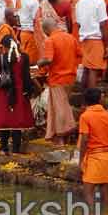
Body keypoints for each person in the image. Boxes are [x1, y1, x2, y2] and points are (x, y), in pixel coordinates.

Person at [36, 17, 80, 145]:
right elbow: (79, 54)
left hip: (57, 78)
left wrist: (39, 63)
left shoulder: (50, 40)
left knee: (60, 108)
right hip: (70, 77)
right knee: (62, 105)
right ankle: (60, 135)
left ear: (45, 30)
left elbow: (48, 59)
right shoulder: (70, 37)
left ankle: (62, 135)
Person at [0, 34, 35, 153]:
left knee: (5, 118)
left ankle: (4, 146)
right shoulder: (24, 57)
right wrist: (29, 92)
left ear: (5, 47)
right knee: (17, 120)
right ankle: (16, 148)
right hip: (19, 91)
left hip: (4, 92)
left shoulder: (1, 58)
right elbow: (27, 77)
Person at [77, 87, 108, 208]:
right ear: (100, 100)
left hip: (94, 156)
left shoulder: (85, 116)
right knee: (104, 190)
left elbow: (85, 139)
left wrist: (81, 159)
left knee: (88, 192)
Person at [75, 0, 108, 89]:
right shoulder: (100, 2)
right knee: (93, 70)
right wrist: (107, 45)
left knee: (87, 69)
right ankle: (92, 101)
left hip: (84, 39)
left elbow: (78, 23)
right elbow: (103, 25)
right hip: (95, 40)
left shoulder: (80, 2)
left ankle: (85, 99)